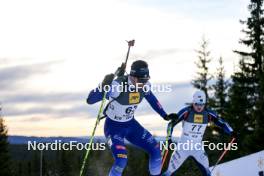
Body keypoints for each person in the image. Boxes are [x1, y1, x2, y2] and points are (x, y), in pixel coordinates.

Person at [87, 60, 177, 176]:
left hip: (131, 125)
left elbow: (152, 99)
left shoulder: (144, 86)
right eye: (141, 81)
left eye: (146, 80)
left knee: (156, 150)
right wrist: (103, 85)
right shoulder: (117, 86)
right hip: (114, 128)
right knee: (121, 161)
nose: (144, 84)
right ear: (133, 77)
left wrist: (164, 115)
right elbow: (90, 100)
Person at [163, 90, 236, 176]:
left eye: (202, 104)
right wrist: (168, 138)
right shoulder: (186, 112)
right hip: (183, 146)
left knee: (207, 172)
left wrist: (231, 131)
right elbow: (171, 124)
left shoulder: (208, 114)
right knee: (169, 172)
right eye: (197, 104)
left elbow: (222, 123)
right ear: (193, 102)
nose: (199, 107)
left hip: (197, 147)